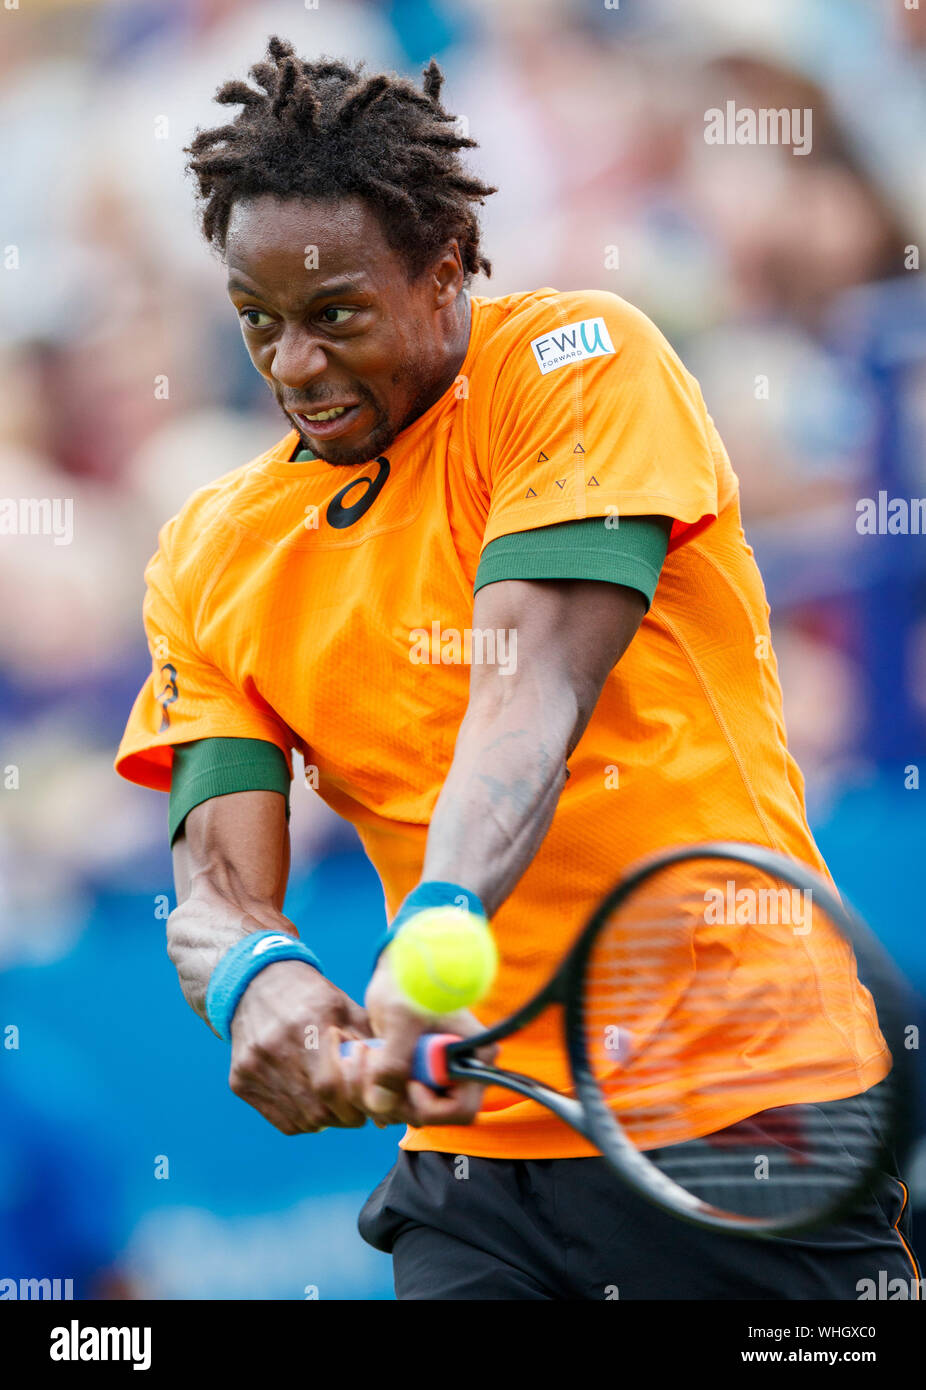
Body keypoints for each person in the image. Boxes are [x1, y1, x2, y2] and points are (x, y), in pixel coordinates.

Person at [115, 38, 919, 1299]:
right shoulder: (210, 552)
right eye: (256, 322)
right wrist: (255, 981)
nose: (292, 367)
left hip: (750, 1110)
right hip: (472, 1165)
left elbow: (526, 688)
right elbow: (214, 880)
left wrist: (439, 920)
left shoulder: (579, 365)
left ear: (446, 273)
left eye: (335, 318)